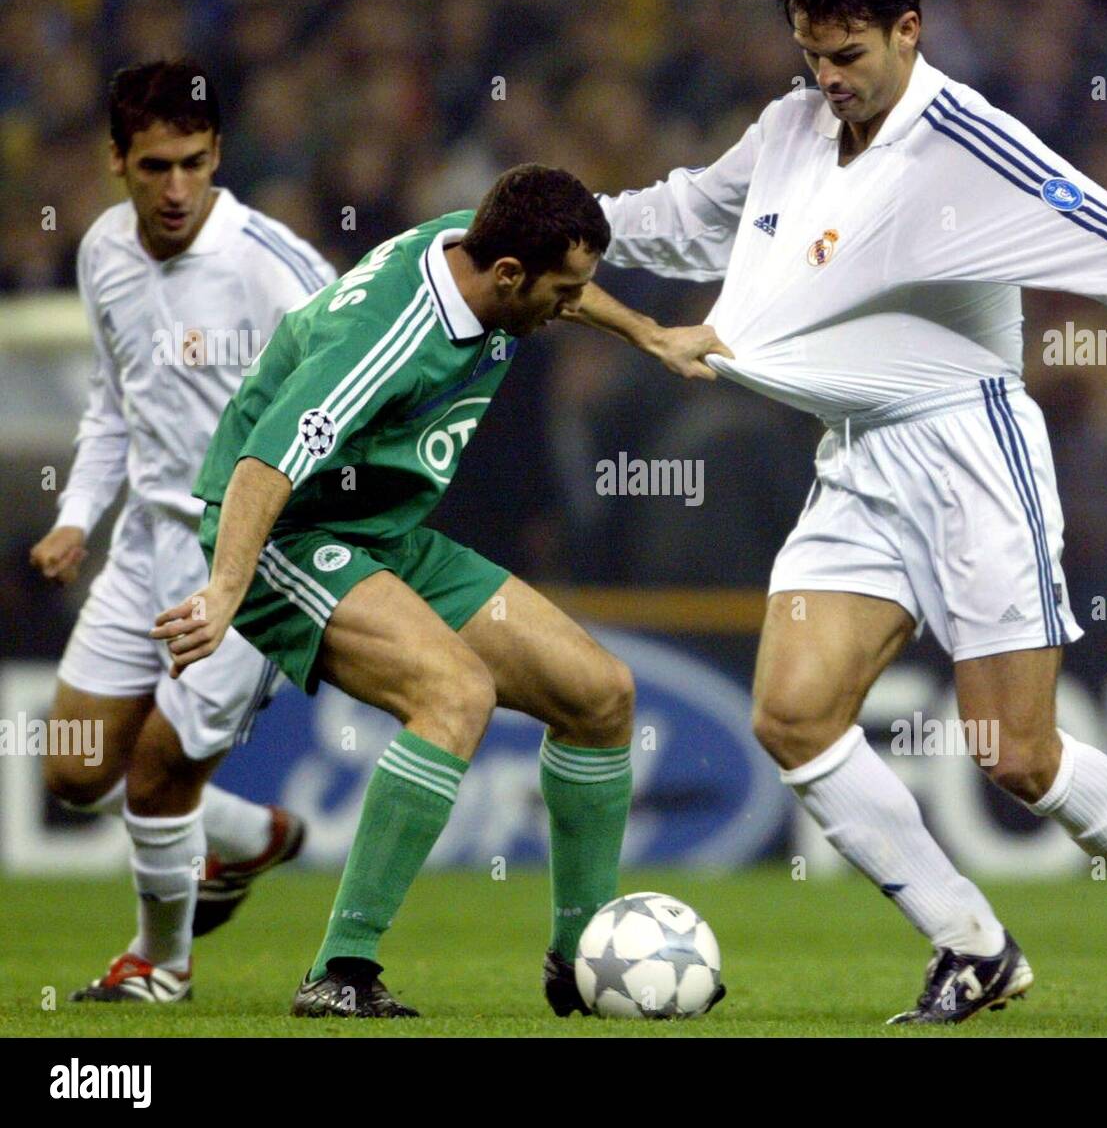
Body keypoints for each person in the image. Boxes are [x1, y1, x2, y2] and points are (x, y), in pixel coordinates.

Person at [569, 0, 1107, 1027]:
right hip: (858, 457)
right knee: (792, 716)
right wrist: (572, 220)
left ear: (906, 30)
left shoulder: (968, 143)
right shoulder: (794, 127)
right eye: (809, 56)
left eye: (845, 54)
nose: (827, 78)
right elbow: (694, 214)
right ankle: (969, 946)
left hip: (971, 454)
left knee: (1012, 755)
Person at [150, 164, 725, 1018]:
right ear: (506, 278)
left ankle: (580, 959)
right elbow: (266, 458)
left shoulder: (486, 239)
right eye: (559, 291)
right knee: (454, 692)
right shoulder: (387, 336)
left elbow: (572, 289)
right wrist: (228, 589)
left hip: (384, 533)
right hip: (289, 534)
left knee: (601, 694)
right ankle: (339, 971)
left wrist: (650, 333)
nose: (569, 305)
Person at [29, 60, 333, 1002]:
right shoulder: (101, 252)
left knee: (160, 772)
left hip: (248, 561)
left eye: (194, 164)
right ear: (116, 159)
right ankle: (249, 838)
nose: (175, 188)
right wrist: (77, 517)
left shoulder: (274, 266)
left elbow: (358, 390)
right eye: (154, 165)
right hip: (141, 549)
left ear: (218, 156)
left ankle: (159, 964)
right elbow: (112, 406)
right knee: (75, 770)